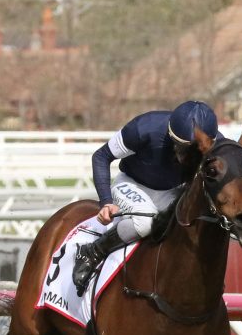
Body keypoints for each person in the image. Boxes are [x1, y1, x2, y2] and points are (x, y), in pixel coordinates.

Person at [71, 100, 222, 295]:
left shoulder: (218, 142)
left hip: (173, 191)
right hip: (133, 184)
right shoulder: (144, 128)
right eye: (183, 148)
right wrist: (106, 201)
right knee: (146, 222)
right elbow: (101, 156)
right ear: (171, 136)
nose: (187, 158)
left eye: (196, 151)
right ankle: (92, 252)